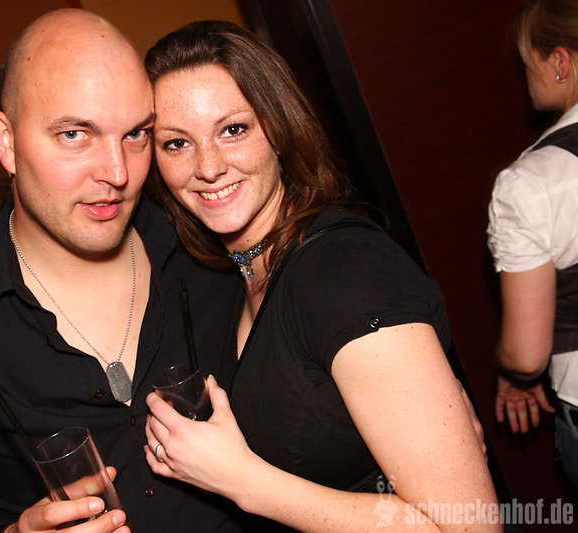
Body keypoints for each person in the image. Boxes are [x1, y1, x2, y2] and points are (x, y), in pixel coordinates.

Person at [0, 9, 245, 533]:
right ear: (5, 142)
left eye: (136, 134)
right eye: (75, 134)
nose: (117, 172)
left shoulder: (209, 252)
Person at [142, 20, 498, 532]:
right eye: (176, 143)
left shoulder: (344, 271)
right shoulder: (232, 279)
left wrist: (242, 480)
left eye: (233, 129)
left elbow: (467, 526)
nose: (209, 166)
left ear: (279, 129)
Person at [488, 0, 578, 487]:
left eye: (529, 60)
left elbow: (527, 355)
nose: (526, 74)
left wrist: (511, 372)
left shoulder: (533, 182)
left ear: (560, 62)